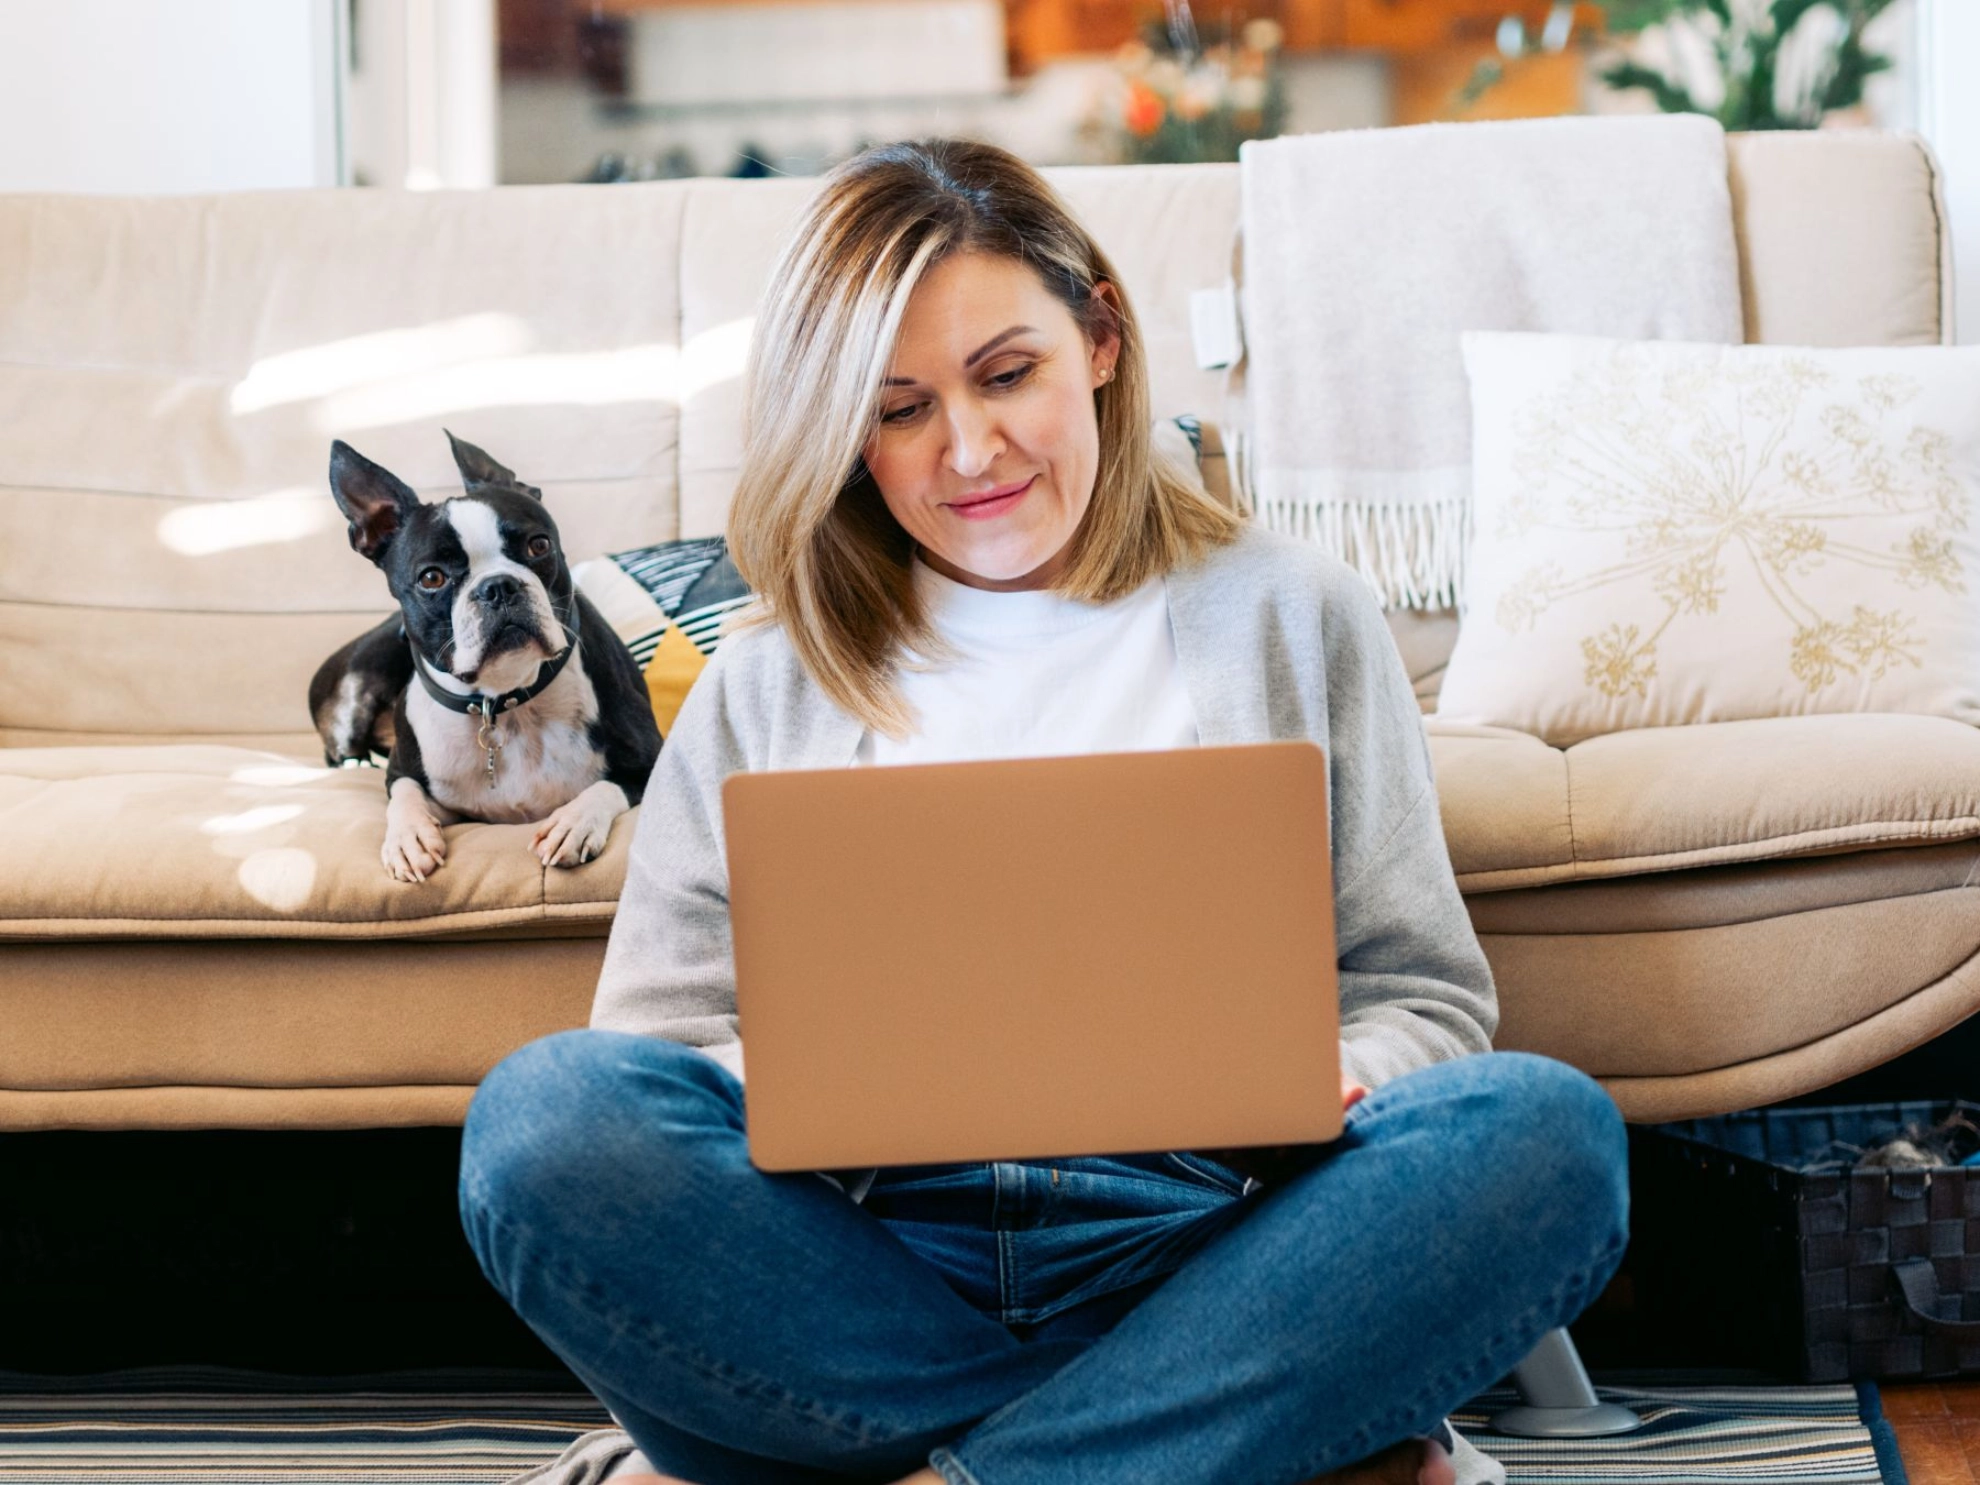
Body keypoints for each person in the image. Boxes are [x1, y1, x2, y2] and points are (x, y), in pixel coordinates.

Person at [457, 138, 1631, 1485]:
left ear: (1103, 339)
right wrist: (779, 1082)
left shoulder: (1296, 615)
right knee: (542, 1125)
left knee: (1546, 1142)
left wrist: (1354, 1078)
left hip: (1215, 1244)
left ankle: (950, 1466)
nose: (969, 449)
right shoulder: (771, 685)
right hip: (857, 1268)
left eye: (1007, 374)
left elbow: (1422, 998)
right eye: (898, 410)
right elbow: (656, 1051)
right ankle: (1226, 1448)